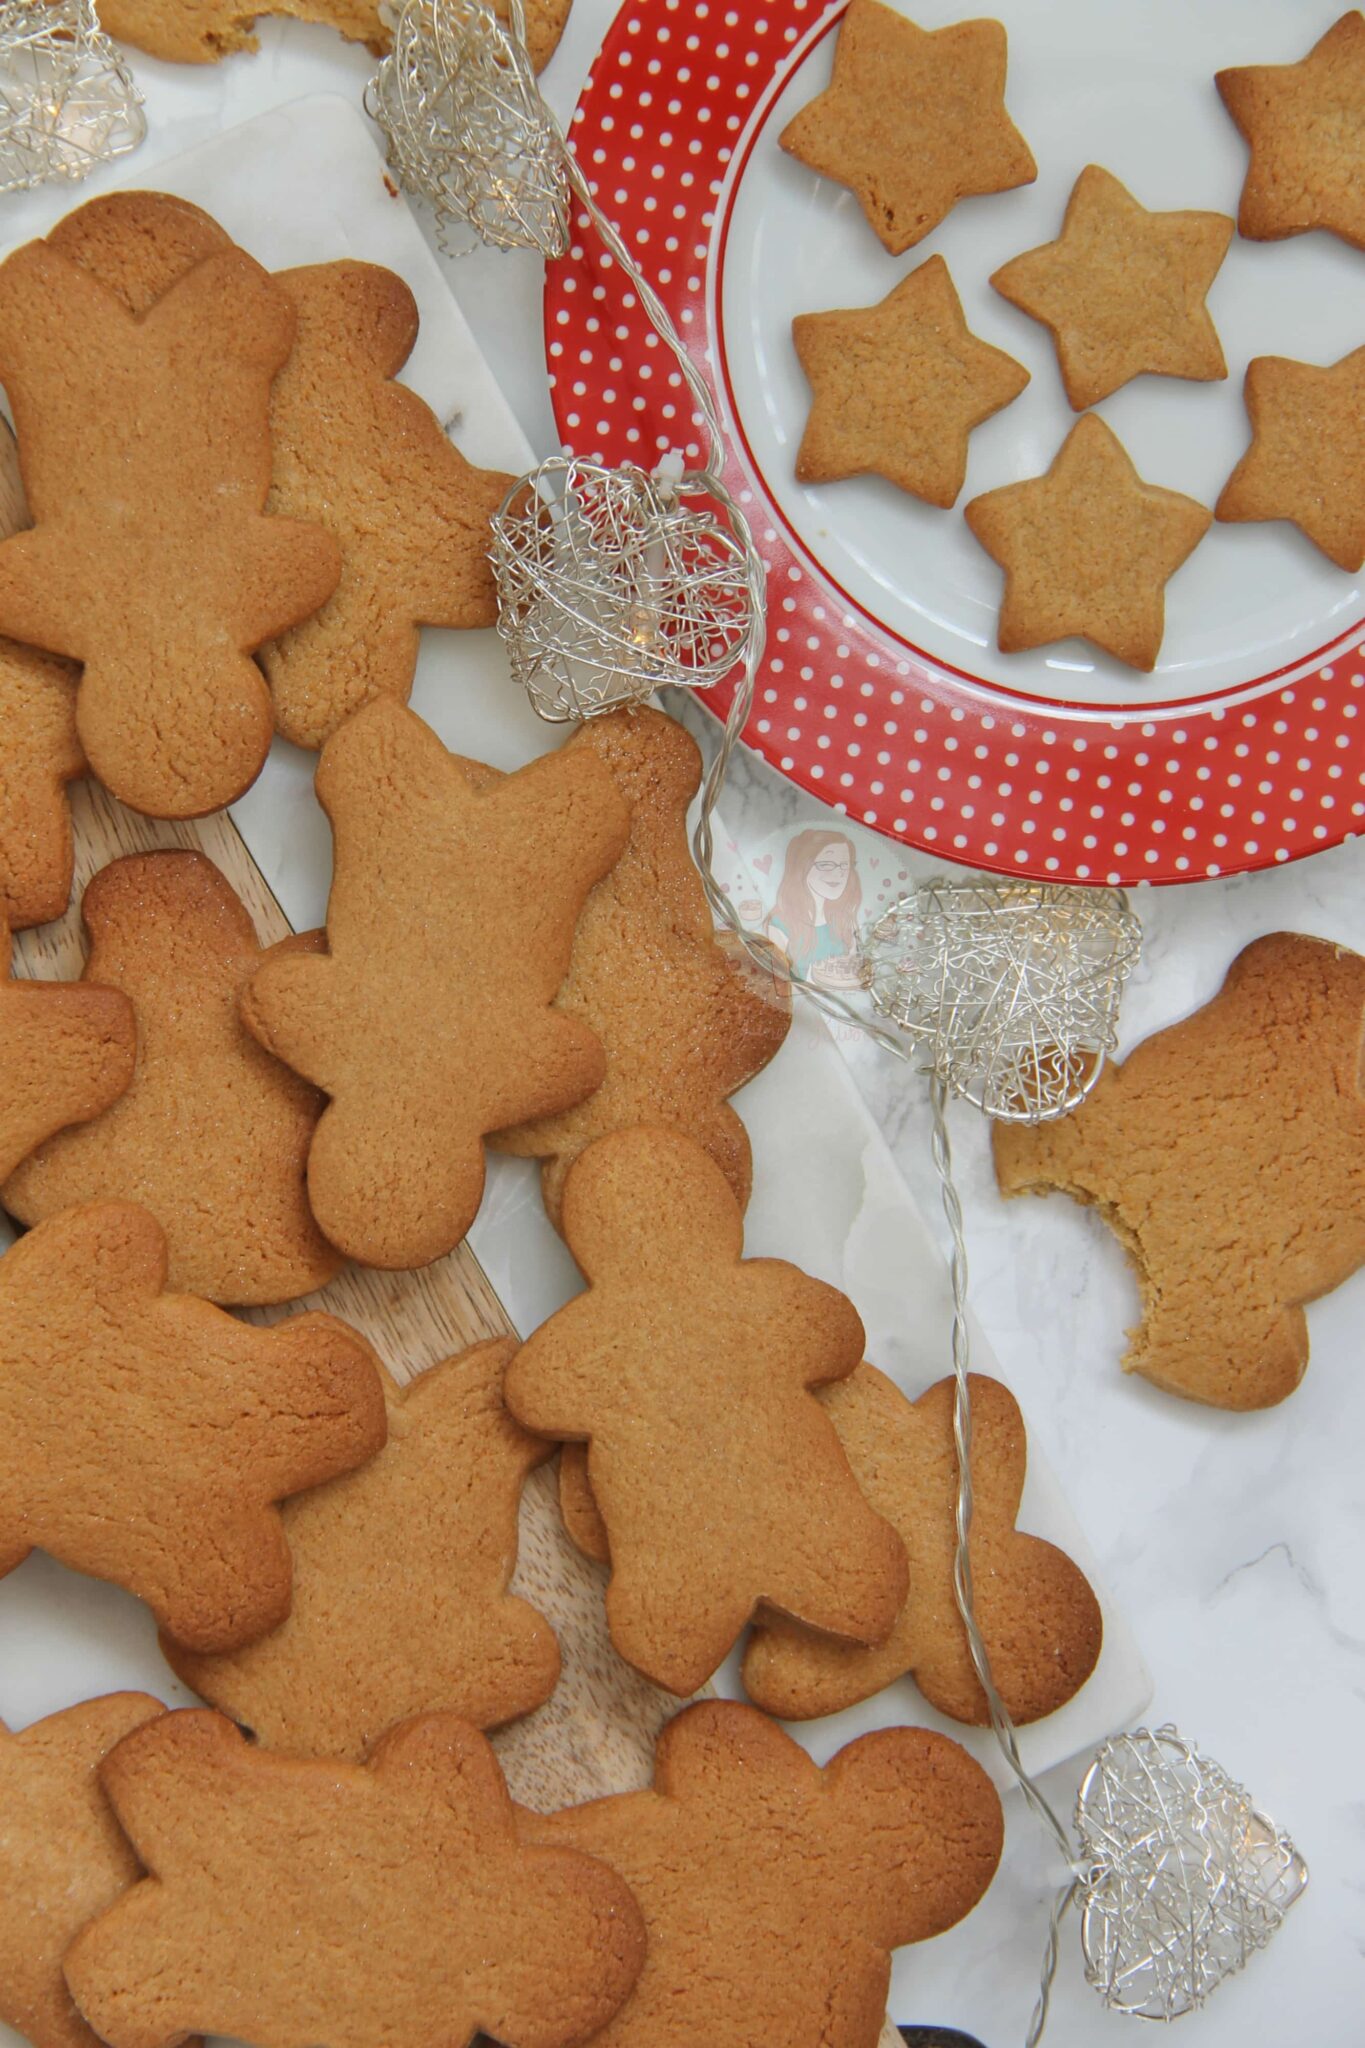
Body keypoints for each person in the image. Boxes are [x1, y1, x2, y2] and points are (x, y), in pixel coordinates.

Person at [766, 827, 865, 991]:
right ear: (802, 866)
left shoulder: (845, 918)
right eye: (826, 864)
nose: (839, 873)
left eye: (844, 865)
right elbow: (778, 987)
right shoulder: (780, 924)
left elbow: (856, 971)